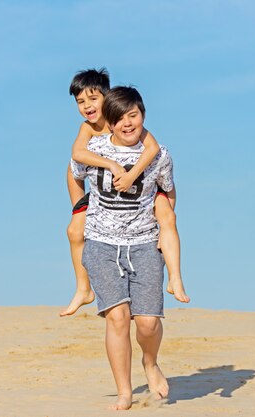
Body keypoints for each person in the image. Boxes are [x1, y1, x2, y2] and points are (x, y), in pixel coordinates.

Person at [71, 86, 173, 410]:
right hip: (102, 244)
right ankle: (124, 391)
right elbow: (74, 169)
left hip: (143, 243)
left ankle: (150, 361)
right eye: (122, 118)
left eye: (134, 115)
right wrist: (79, 209)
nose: (128, 123)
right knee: (117, 317)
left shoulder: (155, 151)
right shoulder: (92, 142)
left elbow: (169, 189)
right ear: (111, 122)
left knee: (147, 323)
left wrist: (167, 223)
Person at [60, 68, 188, 317]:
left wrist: (131, 175)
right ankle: (83, 288)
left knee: (168, 219)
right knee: (75, 230)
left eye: (93, 98)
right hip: (103, 193)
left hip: (145, 188)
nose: (87, 106)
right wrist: (110, 167)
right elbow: (76, 156)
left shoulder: (121, 121)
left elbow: (152, 149)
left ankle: (175, 278)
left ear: (108, 97)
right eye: (80, 101)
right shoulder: (87, 128)